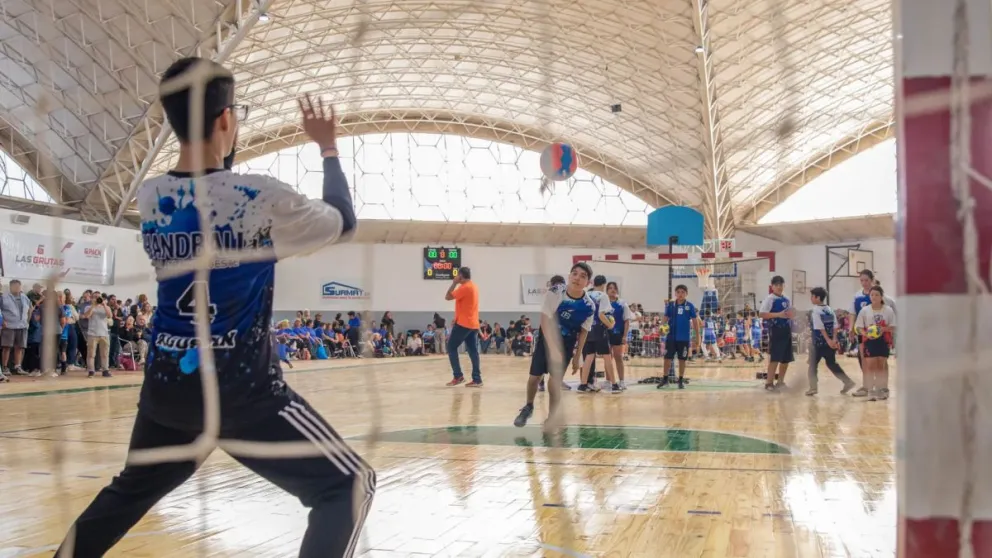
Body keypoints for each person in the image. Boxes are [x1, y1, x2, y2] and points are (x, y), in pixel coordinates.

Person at [55, 58, 374, 558]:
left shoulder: (152, 195)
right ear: (226, 118)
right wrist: (328, 147)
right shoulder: (259, 196)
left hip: (169, 388)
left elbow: (204, 191)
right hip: (242, 393)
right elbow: (343, 221)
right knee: (349, 485)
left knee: (128, 493)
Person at [514, 264, 595, 429]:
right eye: (574, 274)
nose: (577, 278)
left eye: (583, 276)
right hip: (547, 337)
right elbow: (544, 319)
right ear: (569, 276)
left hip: (566, 343)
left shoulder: (589, 306)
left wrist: (577, 356)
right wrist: (552, 348)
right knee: (534, 378)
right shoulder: (556, 292)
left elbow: (584, 332)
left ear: (588, 282)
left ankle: (552, 417)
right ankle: (528, 406)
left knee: (554, 382)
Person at [805, 287, 856, 396]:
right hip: (830, 342)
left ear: (817, 298)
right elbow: (835, 326)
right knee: (832, 363)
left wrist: (828, 340)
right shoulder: (829, 309)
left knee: (812, 365)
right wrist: (834, 339)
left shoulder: (815, 310)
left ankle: (813, 387)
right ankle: (847, 381)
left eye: (812, 296)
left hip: (818, 343)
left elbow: (820, 327)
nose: (811, 298)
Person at [577, 275, 620, 394]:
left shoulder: (586, 294)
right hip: (599, 330)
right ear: (603, 284)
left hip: (588, 329)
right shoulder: (603, 296)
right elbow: (601, 315)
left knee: (589, 357)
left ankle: (582, 385)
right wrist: (610, 325)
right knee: (607, 357)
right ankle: (614, 385)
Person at [855, 285, 896, 401]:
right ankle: (871, 390)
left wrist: (883, 329)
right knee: (871, 365)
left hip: (883, 340)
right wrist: (866, 334)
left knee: (881, 366)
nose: (874, 297)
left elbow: (894, 326)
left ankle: (881, 389)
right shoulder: (864, 310)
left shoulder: (888, 310)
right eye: (872, 295)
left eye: (877, 295)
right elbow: (858, 327)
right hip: (870, 341)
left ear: (881, 297)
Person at [444, 267, 483, 387]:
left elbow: (448, 296)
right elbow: (466, 305)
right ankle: (477, 379)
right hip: (473, 323)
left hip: (464, 324)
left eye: (457, 276)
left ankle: (458, 376)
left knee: (451, 347)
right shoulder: (474, 286)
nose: (456, 278)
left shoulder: (464, 287)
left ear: (461, 276)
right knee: (473, 351)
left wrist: (454, 283)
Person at [658, 285, 701, 389]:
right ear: (675, 293)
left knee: (682, 360)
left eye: (682, 292)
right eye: (678, 292)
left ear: (686, 294)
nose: (680, 294)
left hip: (684, 338)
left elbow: (695, 322)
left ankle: (680, 380)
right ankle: (665, 379)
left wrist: (697, 336)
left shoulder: (689, 306)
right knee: (667, 359)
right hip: (671, 338)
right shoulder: (671, 305)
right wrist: (661, 328)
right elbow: (665, 317)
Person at [759, 275, 795, 391]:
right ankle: (769, 383)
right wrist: (778, 314)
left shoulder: (787, 299)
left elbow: (789, 313)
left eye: (781, 285)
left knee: (786, 358)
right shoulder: (770, 299)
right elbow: (762, 314)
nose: (779, 287)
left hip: (786, 330)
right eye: (777, 285)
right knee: (775, 358)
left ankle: (780, 382)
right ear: (772, 287)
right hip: (775, 330)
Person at [0, 279, 32, 376]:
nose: (17, 288)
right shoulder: (4, 297)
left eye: (18, 286)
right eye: (14, 286)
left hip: (22, 325)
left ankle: (18, 367)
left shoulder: (24, 297)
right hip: (9, 325)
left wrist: (27, 321)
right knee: (7, 347)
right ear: (10, 287)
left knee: (19, 347)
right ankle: (5, 367)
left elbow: (30, 308)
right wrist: (2, 321)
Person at [606, 282, 633, 390]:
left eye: (614, 288)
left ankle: (621, 381)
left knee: (618, 357)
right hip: (606, 334)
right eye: (610, 288)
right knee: (607, 358)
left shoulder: (622, 304)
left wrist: (625, 336)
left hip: (618, 334)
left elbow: (627, 321)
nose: (612, 290)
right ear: (606, 290)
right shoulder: (604, 303)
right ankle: (608, 381)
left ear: (617, 290)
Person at [83, 295, 113, 378]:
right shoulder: (88, 307)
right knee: (91, 354)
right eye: (95, 297)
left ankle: (105, 370)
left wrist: (104, 305)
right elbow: (87, 316)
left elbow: (110, 315)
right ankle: (91, 371)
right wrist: (93, 305)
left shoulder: (106, 307)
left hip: (104, 333)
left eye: (99, 297)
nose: (97, 299)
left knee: (105, 354)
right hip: (93, 333)